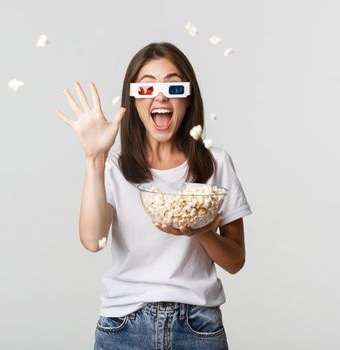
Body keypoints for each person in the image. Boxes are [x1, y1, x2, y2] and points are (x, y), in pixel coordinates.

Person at [55, 42, 252, 350]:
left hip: (198, 326)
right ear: (133, 101)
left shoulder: (216, 163)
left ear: (188, 99)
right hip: (124, 325)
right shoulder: (112, 168)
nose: (160, 96)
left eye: (174, 88)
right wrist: (94, 158)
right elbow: (92, 241)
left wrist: (202, 233)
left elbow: (236, 260)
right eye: (146, 89)